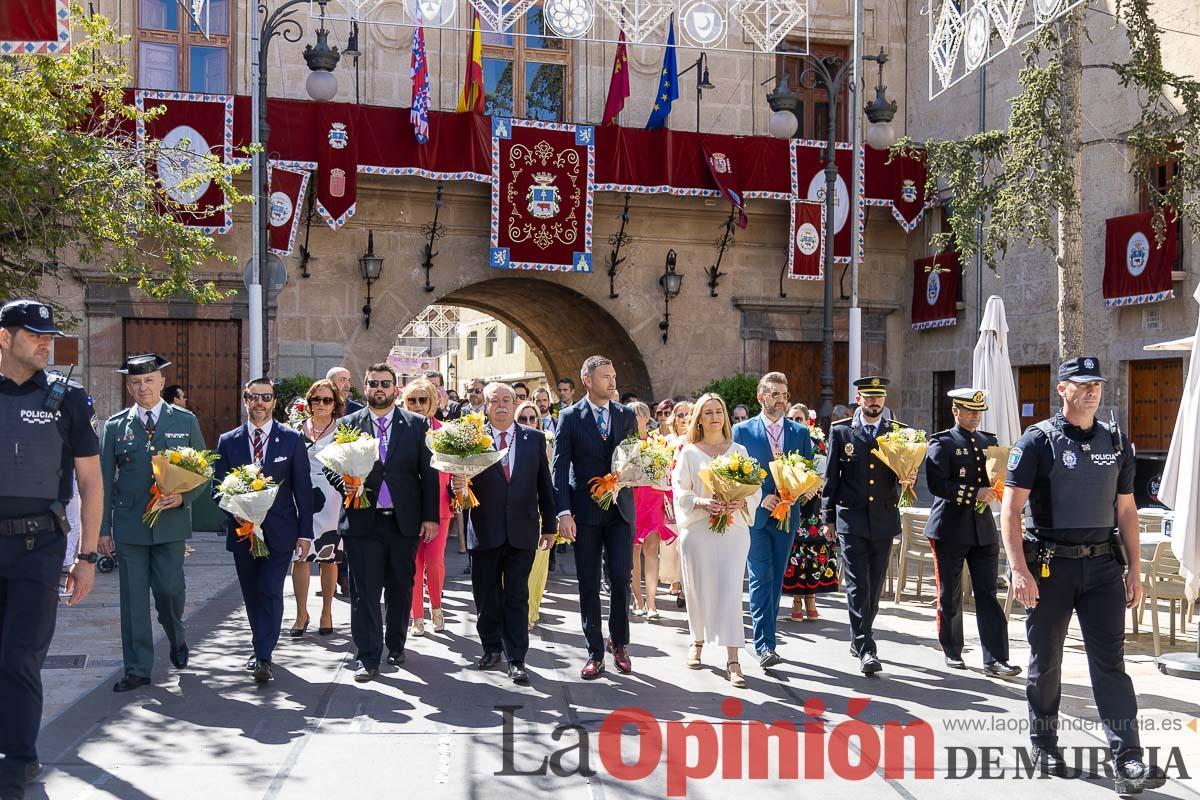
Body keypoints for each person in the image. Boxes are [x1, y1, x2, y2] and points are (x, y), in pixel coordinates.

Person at [1003, 357, 1166, 793]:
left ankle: (1128, 757)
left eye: (1096, 383)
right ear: (1063, 390)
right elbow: (1011, 509)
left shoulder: (1116, 441)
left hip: (1102, 569)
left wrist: (1134, 569)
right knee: (1046, 661)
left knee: (1111, 664)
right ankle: (1045, 742)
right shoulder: (1038, 440)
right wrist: (1019, 570)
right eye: (1082, 384)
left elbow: (1127, 510)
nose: (1092, 390)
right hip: (1049, 567)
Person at [0, 300, 102, 800]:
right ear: (4, 338)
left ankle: (17, 760)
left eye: (49, 336)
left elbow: (90, 480)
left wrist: (85, 557)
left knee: (21, 657)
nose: (46, 343)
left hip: (37, 547)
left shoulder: (68, 400)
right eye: (35, 335)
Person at [99, 353, 207, 692]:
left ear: (161, 382)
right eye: (135, 382)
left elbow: (204, 470)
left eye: (148, 380)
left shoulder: (185, 421)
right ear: (128, 386)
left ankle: (176, 636)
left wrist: (184, 497)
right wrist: (103, 529)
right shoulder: (116, 425)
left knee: (169, 590)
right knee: (132, 600)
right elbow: (103, 480)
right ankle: (137, 668)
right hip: (130, 526)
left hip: (170, 523)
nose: (142, 387)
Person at [338, 363, 439, 682]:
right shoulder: (348, 424)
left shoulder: (416, 425)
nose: (378, 388)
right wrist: (345, 482)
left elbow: (429, 473)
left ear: (396, 388)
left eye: (385, 383)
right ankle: (367, 656)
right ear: (364, 388)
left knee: (400, 587)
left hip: (402, 522)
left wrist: (430, 517)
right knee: (364, 592)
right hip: (361, 522)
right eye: (372, 383)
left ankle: (396, 644)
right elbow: (332, 465)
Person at [214, 379, 313, 684]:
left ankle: (263, 655)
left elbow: (303, 489)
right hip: (242, 532)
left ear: (273, 401)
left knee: (270, 590)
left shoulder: (292, 439)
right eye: (253, 397)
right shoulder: (228, 441)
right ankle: (260, 646)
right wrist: (236, 508)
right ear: (245, 400)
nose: (259, 402)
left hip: (281, 532)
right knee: (252, 593)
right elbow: (217, 489)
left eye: (265, 397)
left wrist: (306, 534)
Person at [458, 384, 556, 684]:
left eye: (506, 400)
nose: (501, 405)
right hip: (485, 529)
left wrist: (550, 526)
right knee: (486, 595)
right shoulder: (471, 439)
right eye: (494, 401)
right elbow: (461, 487)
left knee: (517, 596)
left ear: (516, 403)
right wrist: (458, 486)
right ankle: (490, 647)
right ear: (484, 405)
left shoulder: (533, 439)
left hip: (522, 530)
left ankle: (517, 658)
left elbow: (544, 485)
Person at [551, 356, 638, 678]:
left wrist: (629, 476)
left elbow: (634, 458)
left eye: (613, 376)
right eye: (605, 377)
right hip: (584, 513)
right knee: (587, 582)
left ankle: (620, 642)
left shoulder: (626, 415)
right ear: (587, 380)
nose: (612, 382)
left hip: (619, 511)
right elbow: (559, 467)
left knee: (620, 578)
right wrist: (563, 512)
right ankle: (594, 651)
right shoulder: (570, 417)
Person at [924, 388, 1019, 676]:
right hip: (950, 527)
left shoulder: (988, 441)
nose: (975, 417)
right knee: (950, 593)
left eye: (978, 412)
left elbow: (997, 478)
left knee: (988, 594)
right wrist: (973, 493)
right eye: (969, 411)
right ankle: (953, 650)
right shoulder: (942, 443)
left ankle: (996, 658)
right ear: (955, 411)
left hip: (983, 530)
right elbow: (937, 485)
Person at [822, 377, 908, 675]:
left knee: (874, 585)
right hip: (852, 518)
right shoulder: (842, 430)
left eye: (879, 398)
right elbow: (831, 478)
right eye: (869, 398)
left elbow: (903, 476)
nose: (874, 403)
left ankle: (859, 636)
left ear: (884, 400)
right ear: (859, 399)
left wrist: (907, 480)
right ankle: (866, 646)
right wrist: (827, 518)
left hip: (883, 518)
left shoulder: (898, 433)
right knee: (858, 584)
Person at [672, 394, 759, 688]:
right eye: (707, 412)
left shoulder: (739, 451)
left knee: (731, 592)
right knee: (697, 589)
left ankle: (733, 659)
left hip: (733, 533)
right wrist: (701, 502)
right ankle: (696, 641)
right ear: (699, 418)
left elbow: (754, 490)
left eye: (718, 411)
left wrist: (740, 504)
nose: (714, 416)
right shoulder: (689, 452)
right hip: (698, 532)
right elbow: (679, 492)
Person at [733, 372, 814, 668]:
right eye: (774, 394)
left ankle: (768, 636)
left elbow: (807, 472)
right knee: (759, 577)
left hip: (787, 516)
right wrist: (758, 495)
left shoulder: (799, 432)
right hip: (756, 516)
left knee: (776, 578)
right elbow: (734, 471)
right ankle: (765, 644)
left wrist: (798, 493)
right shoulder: (742, 431)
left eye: (784, 394)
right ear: (761, 397)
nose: (781, 400)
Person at [288, 379, 344, 639]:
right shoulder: (296, 429)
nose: (321, 404)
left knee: (328, 559)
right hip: (300, 498)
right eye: (316, 399)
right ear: (309, 403)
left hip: (332, 499)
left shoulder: (343, 431)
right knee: (299, 557)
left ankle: (326, 612)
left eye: (327, 400)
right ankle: (301, 613)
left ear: (335, 404)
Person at [402, 379, 453, 636]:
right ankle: (416, 617)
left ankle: (436, 607)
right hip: (408, 509)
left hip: (440, 507)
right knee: (413, 564)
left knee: (434, 561)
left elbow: (453, 472)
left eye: (423, 399)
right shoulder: (399, 431)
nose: (418, 405)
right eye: (413, 400)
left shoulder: (444, 432)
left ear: (432, 402)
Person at [781, 403, 837, 621]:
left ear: (808, 421)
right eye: (792, 419)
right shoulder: (784, 442)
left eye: (799, 419)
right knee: (795, 553)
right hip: (792, 501)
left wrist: (810, 488)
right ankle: (796, 600)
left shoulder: (818, 443)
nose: (796, 423)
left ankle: (811, 598)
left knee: (814, 552)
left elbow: (824, 472)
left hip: (813, 504)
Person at [629, 402, 674, 620]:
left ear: (647, 418)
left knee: (652, 550)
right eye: (633, 415)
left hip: (653, 499)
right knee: (634, 550)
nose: (636, 419)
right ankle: (637, 597)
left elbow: (667, 470)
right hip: (632, 499)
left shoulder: (659, 441)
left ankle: (653, 601)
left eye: (640, 415)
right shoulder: (625, 442)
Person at [659, 400, 692, 603]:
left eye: (687, 414)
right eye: (679, 415)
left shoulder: (695, 441)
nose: (683, 418)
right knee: (671, 540)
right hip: (668, 495)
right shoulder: (667, 440)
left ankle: (683, 583)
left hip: (687, 495)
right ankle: (675, 579)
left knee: (685, 540)